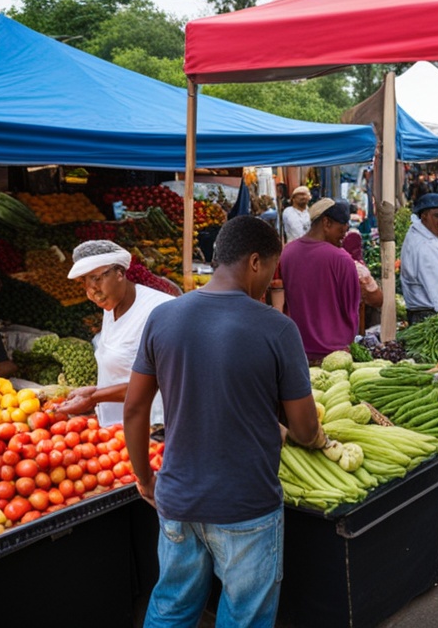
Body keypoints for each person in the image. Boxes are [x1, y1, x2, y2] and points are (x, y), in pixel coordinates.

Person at [124, 215, 329, 627]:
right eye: (272, 269)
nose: (272, 279)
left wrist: (146, 478)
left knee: (171, 606)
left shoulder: (164, 317)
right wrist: (314, 436)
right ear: (256, 261)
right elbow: (306, 428)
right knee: (244, 615)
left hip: (178, 498)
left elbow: (133, 408)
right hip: (245, 505)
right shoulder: (278, 329)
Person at [55, 241, 175, 427]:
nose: (91, 290)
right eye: (85, 282)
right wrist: (94, 392)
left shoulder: (160, 311)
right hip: (118, 428)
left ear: (120, 273)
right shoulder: (111, 306)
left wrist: (94, 397)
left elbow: (162, 382)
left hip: (154, 428)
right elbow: (127, 370)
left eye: (96, 278)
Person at [280, 199, 360, 362]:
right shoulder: (342, 259)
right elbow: (351, 310)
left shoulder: (287, 253)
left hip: (297, 351)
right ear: (326, 223)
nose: (343, 238)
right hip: (335, 355)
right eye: (341, 231)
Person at [400, 193, 438, 324]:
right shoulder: (426, 245)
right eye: (437, 216)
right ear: (424, 215)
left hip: (419, 312)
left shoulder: (416, 234)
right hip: (428, 316)